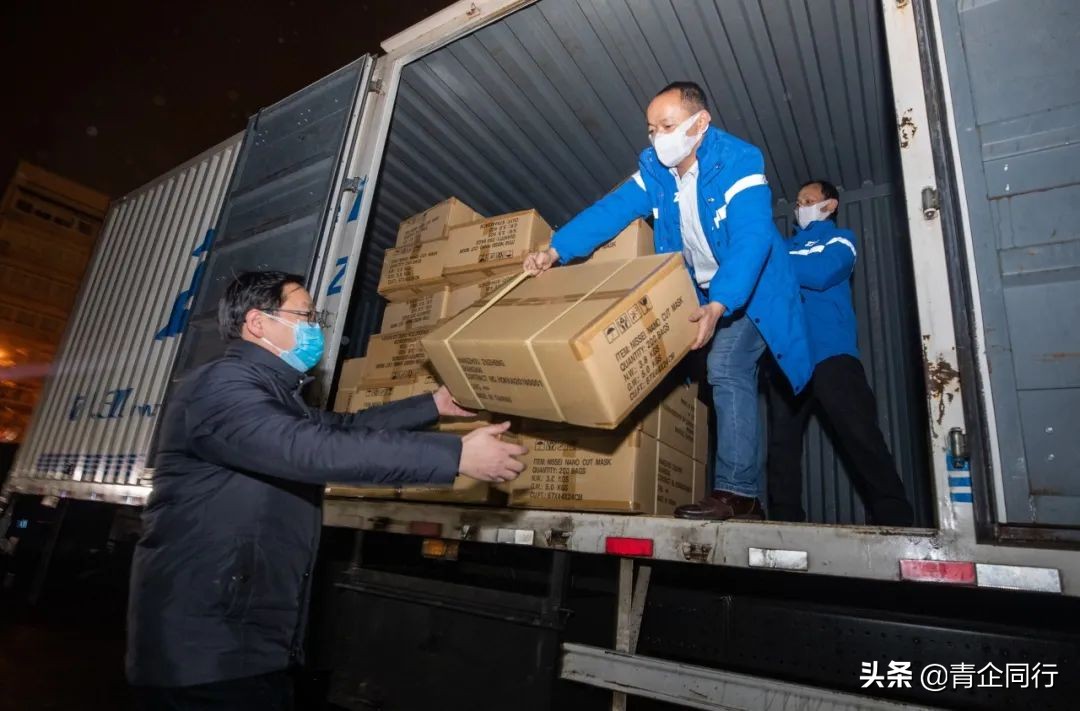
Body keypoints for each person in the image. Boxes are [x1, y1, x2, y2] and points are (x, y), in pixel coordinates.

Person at [126, 271, 526, 709]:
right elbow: (309, 448)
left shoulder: (273, 393)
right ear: (258, 323)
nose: (315, 326)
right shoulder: (221, 388)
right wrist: (454, 457)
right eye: (305, 315)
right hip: (205, 646)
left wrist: (432, 406)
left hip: (244, 640)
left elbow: (345, 429)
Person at [524, 81, 811, 521]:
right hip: (702, 291)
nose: (658, 137)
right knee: (696, 374)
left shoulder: (739, 161)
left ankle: (740, 495)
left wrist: (721, 303)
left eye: (668, 125)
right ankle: (736, 493)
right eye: (651, 128)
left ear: (700, 123)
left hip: (751, 286)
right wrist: (555, 249)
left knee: (727, 366)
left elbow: (752, 240)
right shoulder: (655, 172)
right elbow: (610, 210)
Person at [766, 180, 914, 526]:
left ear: (829, 205)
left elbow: (820, 274)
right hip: (788, 359)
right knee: (781, 447)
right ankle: (785, 522)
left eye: (808, 200)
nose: (799, 206)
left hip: (832, 354)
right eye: (798, 200)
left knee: (860, 434)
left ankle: (895, 517)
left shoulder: (840, 239)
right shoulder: (784, 246)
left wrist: (773, 263)